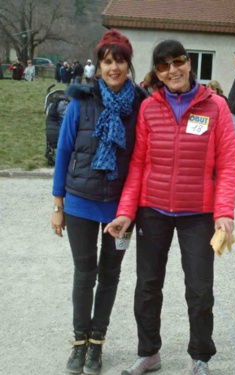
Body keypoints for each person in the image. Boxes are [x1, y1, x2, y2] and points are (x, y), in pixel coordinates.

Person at [104, 39, 235, 375]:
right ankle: (149, 353)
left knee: (199, 288)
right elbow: (138, 164)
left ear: (189, 62)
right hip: (154, 210)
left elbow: (228, 164)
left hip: (199, 213)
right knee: (147, 285)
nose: (172, 70)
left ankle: (200, 358)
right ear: (157, 73)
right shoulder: (150, 108)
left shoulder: (216, 107)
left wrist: (224, 212)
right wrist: (126, 211)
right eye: (163, 66)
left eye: (177, 62)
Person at [50, 29, 147, 375]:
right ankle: (79, 343)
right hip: (79, 203)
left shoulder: (140, 105)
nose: (114, 67)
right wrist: (58, 205)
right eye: (107, 61)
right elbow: (62, 152)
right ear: (99, 66)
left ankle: (97, 344)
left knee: (110, 275)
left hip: (121, 210)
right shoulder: (81, 101)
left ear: (128, 63)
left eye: (120, 60)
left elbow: (143, 157)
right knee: (84, 273)